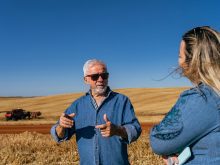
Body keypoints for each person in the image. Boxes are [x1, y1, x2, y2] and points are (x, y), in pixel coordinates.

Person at [150, 26, 220, 164]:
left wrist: (174, 148)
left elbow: (159, 141)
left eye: (180, 56)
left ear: (193, 60)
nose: (179, 62)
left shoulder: (203, 97)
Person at [51, 59, 142, 165]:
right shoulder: (77, 105)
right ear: (86, 80)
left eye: (104, 75)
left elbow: (136, 130)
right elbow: (59, 136)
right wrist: (61, 126)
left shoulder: (122, 101)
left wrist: (117, 130)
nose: (100, 79)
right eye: (95, 76)